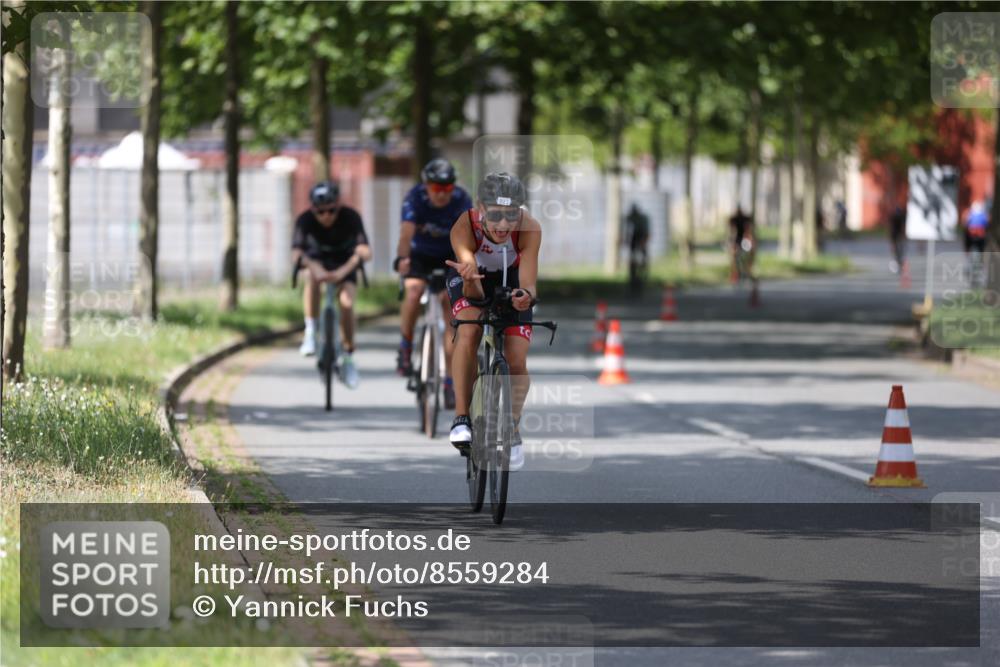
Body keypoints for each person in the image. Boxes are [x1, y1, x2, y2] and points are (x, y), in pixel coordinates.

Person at [446, 172, 540, 472]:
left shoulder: (529, 229)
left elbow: (528, 282)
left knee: (516, 358)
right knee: (469, 331)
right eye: (495, 215)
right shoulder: (464, 226)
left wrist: (525, 297)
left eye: (511, 215)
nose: (503, 225)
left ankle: (511, 430)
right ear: (480, 209)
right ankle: (462, 417)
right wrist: (470, 280)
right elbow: (472, 282)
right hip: (469, 276)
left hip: (510, 277)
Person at [394, 158, 472, 409]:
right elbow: (406, 232)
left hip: (450, 256)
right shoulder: (415, 198)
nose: (442, 194)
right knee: (414, 291)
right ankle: (405, 345)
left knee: (451, 309)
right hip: (420, 255)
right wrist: (402, 259)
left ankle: (450, 381)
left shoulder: (462, 199)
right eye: (436, 188)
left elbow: (469, 235)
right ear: (426, 186)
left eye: (447, 188)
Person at [292, 181, 372, 389]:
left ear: (338, 206)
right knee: (311, 280)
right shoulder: (304, 221)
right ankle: (311, 331)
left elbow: (365, 251)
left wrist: (344, 271)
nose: (326, 216)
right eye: (321, 212)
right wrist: (312, 266)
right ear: (313, 210)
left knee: (346, 303)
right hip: (317, 265)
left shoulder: (351, 217)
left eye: (331, 211)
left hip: (344, 266)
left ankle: (348, 356)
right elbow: (295, 254)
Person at [624, 203, 650, 293]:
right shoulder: (630, 218)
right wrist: (626, 240)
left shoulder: (643, 219)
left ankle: (644, 273)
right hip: (634, 239)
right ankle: (633, 276)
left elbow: (646, 232)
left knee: (643, 258)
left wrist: (643, 243)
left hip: (642, 236)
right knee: (633, 259)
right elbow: (627, 230)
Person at [728, 205, 755, 281]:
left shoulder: (745, 219)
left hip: (744, 240)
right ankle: (736, 273)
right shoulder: (734, 219)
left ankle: (747, 271)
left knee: (748, 254)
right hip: (737, 240)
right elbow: (732, 231)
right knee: (734, 255)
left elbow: (748, 229)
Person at [888, 205, 907, 274]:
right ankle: (899, 264)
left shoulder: (897, 217)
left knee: (899, 252)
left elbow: (901, 228)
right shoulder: (896, 218)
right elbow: (892, 229)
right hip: (896, 236)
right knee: (898, 252)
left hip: (897, 236)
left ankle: (899, 264)